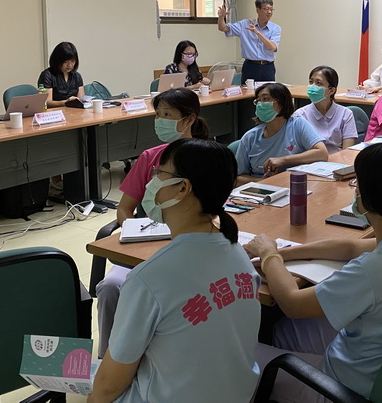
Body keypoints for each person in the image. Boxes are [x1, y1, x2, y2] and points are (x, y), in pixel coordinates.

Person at [246, 143, 382, 402]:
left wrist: (269, 256)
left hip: (345, 386)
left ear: (368, 197)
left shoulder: (371, 271)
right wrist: (283, 253)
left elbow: (292, 303)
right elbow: (351, 247)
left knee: (245, 356)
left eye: (357, 183)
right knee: (282, 330)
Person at [89, 139, 261, 403]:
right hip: (236, 394)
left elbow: (109, 387)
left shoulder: (149, 279)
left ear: (182, 187)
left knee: (62, 367)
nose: (151, 181)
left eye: (159, 174)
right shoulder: (237, 252)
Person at [95, 88, 210, 358]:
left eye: (167, 115)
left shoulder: (209, 157)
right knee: (111, 286)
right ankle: (107, 361)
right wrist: (132, 228)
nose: (160, 120)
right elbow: (124, 209)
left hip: (193, 247)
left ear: (189, 119)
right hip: (147, 245)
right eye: (157, 114)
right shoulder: (149, 158)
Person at [234, 83, 328, 184]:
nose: (260, 104)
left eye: (265, 99)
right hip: (261, 190)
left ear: (282, 103)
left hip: (294, 184)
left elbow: (322, 153)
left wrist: (283, 160)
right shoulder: (250, 137)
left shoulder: (297, 125)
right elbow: (237, 178)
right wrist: (262, 181)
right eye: (258, 101)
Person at [292, 66, 357, 154]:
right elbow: (296, 149)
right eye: (311, 82)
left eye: (318, 83)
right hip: (309, 163)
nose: (312, 87)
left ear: (331, 90)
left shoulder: (346, 114)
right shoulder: (300, 115)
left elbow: (347, 151)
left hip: (337, 162)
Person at [217, 0, 280, 82]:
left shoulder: (275, 28)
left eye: (271, 9)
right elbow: (223, 28)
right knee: (247, 93)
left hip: (267, 67)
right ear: (257, 10)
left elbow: (272, 47)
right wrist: (221, 17)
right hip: (250, 66)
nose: (269, 12)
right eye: (266, 9)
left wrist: (257, 32)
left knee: (268, 93)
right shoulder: (244, 25)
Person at [38, 41, 84, 108]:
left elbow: (81, 99)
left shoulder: (77, 76)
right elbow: (47, 102)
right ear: (57, 60)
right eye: (66, 62)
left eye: (73, 61)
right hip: (54, 113)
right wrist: (66, 102)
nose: (70, 65)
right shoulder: (47, 75)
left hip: (74, 112)